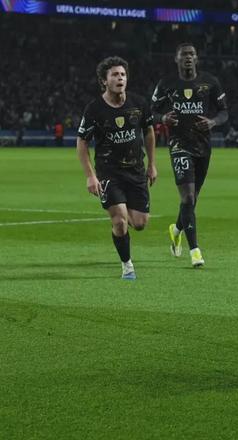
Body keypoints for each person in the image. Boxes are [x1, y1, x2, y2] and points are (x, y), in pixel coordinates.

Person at [76, 56, 157, 280]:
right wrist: (90, 176)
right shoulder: (94, 109)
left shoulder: (139, 104)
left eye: (123, 74)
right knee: (120, 221)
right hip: (109, 172)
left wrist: (152, 164)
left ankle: (123, 212)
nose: (120, 78)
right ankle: (127, 265)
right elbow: (82, 142)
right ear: (104, 81)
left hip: (136, 171)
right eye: (114, 75)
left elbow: (149, 131)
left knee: (139, 223)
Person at [152, 43, 229, 267]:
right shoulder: (166, 84)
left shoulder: (210, 82)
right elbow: (151, 111)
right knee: (187, 198)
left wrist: (213, 122)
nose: (188, 57)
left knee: (192, 199)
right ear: (176, 59)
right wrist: (162, 119)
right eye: (184, 54)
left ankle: (176, 229)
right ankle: (195, 250)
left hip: (203, 146)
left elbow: (224, 111)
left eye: (191, 54)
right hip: (179, 145)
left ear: (196, 59)